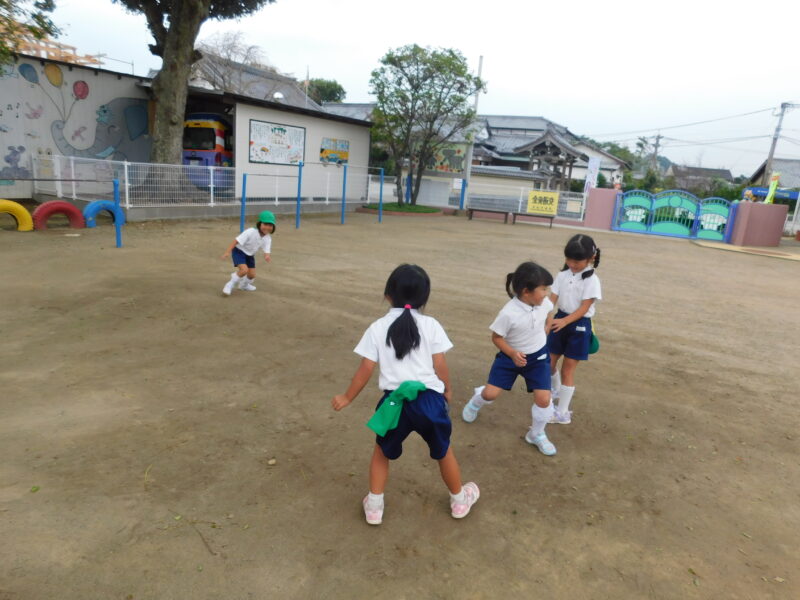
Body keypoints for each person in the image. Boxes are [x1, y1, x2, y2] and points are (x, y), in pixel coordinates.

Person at [331, 264, 479, 525]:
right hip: (429, 401)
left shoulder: (377, 327)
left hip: (394, 402)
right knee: (444, 451)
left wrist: (347, 397)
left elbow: (366, 368)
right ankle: (459, 500)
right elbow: (440, 364)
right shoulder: (431, 325)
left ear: (388, 295)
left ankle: (374, 507)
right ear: (424, 298)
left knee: (381, 452)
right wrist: (447, 389)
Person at [462, 261, 558, 456]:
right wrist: (513, 353)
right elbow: (496, 338)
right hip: (509, 358)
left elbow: (549, 311)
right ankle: (475, 402)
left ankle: (536, 434)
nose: (546, 293)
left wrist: (548, 326)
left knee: (544, 399)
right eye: (543, 289)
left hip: (538, 357)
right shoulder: (508, 313)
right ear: (526, 291)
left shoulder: (543, 303)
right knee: (490, 394)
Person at [547, 234, 602, 425]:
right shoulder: (562, 275)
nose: (571, 264)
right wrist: (546, 317)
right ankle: (555, 390)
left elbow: (584, 308)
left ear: (590, 258)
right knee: (548, 362)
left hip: (579, 325)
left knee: (567, 369)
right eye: (568, 259)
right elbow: (551, 300)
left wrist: (564, 321)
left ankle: (562, 413)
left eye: (577, 261)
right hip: (559, 320)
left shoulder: (592, 280)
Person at [220, 211, 275, 296]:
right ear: (259, 223)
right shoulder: (250, 231)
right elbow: (236, 241)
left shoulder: (268, 238)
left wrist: (267, 256)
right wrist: (227, 252)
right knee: (244, 270)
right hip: (239, 252)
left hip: (250, 255)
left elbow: (266, 250)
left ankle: (243, 285)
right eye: (265, 224)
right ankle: (229, 284)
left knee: (252, 275)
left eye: (270, 225)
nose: (267, 227)